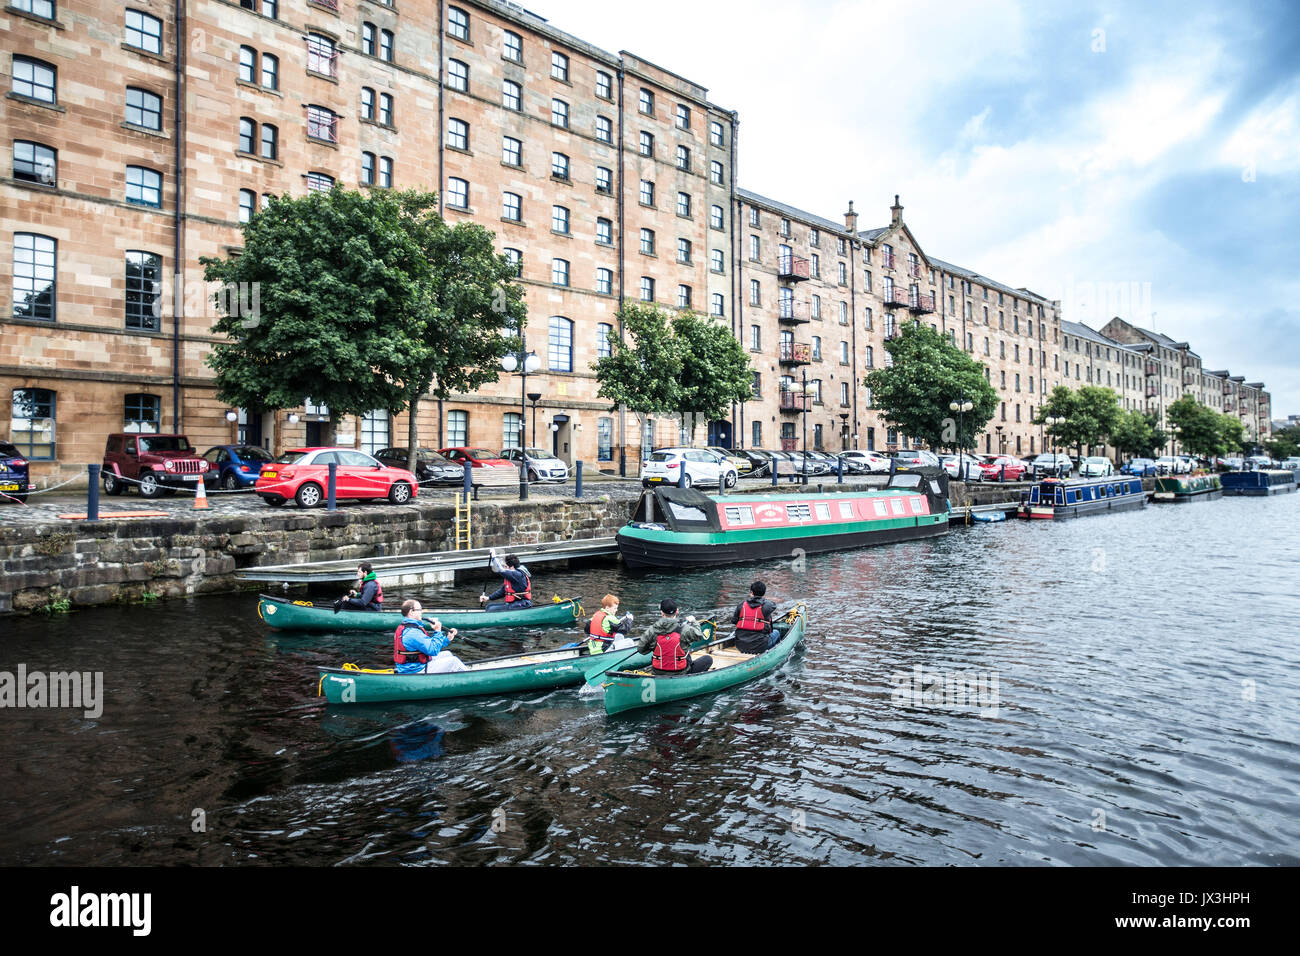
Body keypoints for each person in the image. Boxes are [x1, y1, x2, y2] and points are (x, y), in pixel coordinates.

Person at [636, 599, 711, 675]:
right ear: (677, 611)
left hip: (657, 672)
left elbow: (641, 650)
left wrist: (653, 647)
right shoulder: (685, 629)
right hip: (681, 672)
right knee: (708, 659)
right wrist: (694, 622)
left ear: (662, 613)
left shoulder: (652, 630)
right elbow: (698, 635)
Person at [393, 600, 467, 674]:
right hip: (415, 671)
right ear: (411, 612)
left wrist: (447, 639)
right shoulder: (412, 632)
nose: (421, 612)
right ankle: (473, 679)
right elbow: (433, 650)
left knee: (447, 654)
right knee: (454, 661)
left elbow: (430, 645)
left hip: (416, 666)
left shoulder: (407, 627)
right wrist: (438, 631)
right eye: (419, 610)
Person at [731, 580, 782, 654]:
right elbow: (773, 604)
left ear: (751, 592)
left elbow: (734, 621)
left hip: (740, 645)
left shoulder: (741, 605)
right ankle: (772, 653)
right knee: (776, 632)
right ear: (764, 593)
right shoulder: (768, 605)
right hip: (760, 646)